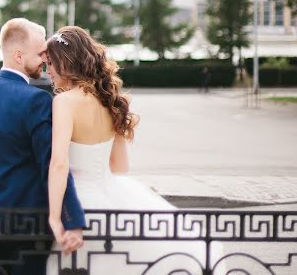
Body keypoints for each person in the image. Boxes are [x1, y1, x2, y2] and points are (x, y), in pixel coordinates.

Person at [45, 26, 225, 275]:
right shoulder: (111, 100)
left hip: (80, 206)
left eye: (51, 64)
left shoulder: (64, 102)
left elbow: (59, 164)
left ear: (65, 62)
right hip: (113, 196)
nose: (48, 72)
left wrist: (55, 217)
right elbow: (120, 167)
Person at [0, 18, 86, 275]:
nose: (45, 59)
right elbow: (52, 163)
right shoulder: (36, 100)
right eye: (39, 53)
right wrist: (72, 219)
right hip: (28, 229)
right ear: (19, 56)